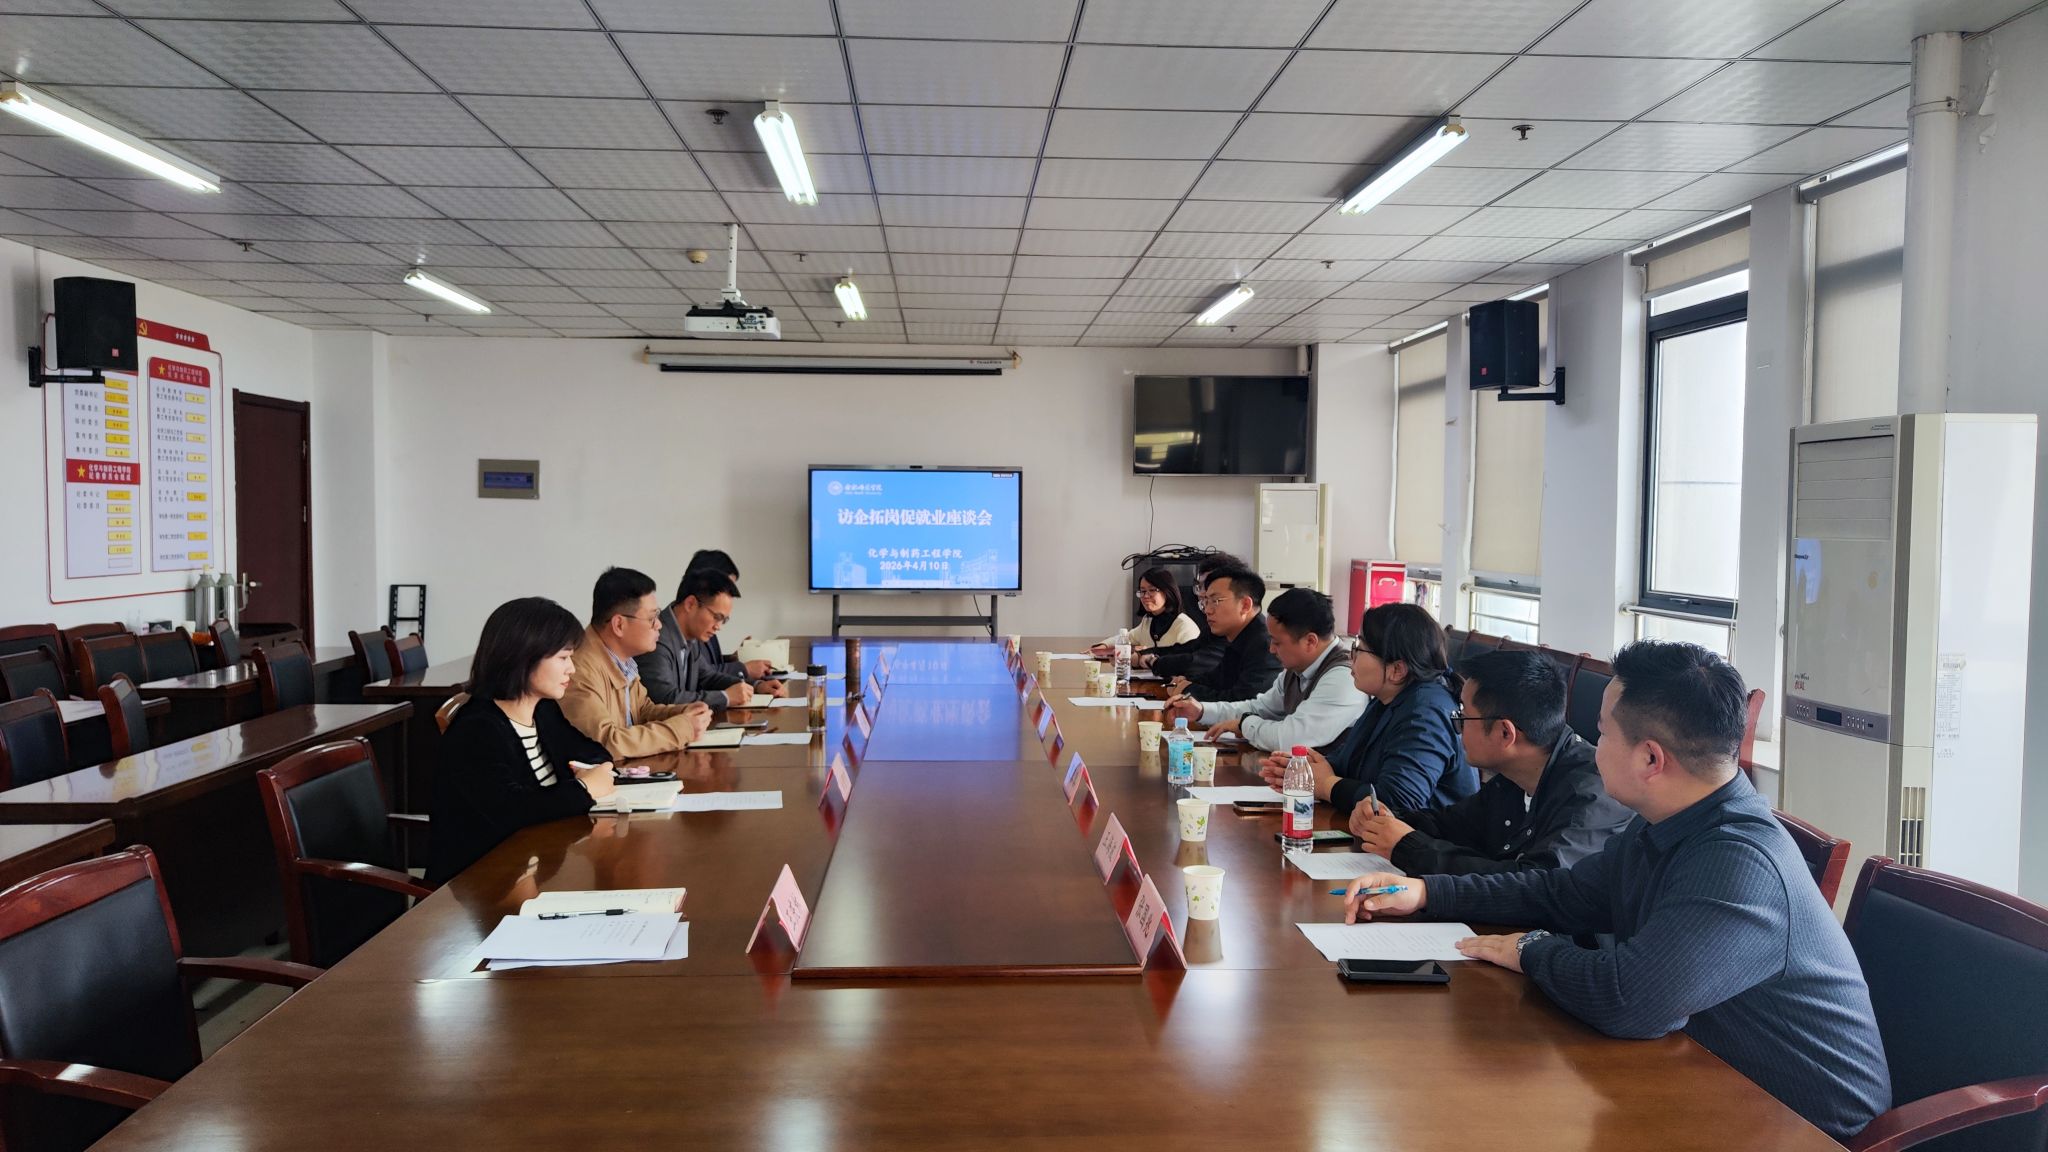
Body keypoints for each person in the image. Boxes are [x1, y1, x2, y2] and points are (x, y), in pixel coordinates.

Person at [1341, 641, 1891, 1141]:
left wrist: (1531, 949)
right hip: (1698, 1083)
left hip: (1796, 1127)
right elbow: (1562, 894)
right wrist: (1427, 893)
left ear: (1651, 758)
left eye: (1601, 733)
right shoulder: (1669, 822)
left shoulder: (1739, 861)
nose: (1588, 744)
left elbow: (1628, 1001)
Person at [1350, 649, 1630, 874]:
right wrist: (1386, 819)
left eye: (1463, 716)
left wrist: (1408, 847)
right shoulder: (1514, 775)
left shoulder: (1588, 797)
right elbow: (1451, 825)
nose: (1457, 727)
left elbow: (1530, 885)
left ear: (1505, 733)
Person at [429, 597, 619, 885]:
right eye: (563, 658)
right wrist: (584, 788)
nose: (572, 669)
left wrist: (592, 772)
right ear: (524, 656)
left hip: (535, 864)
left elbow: (593, 752)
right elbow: (513, 812)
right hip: (483, 883)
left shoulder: (542, 710)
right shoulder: (477, 729)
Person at [1258, 601, 1474, 814]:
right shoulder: (1386, 699)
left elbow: (1398, 803)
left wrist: (1326, 785)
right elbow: (1350, 763)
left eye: (1358, 649)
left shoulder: (1426, 714)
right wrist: (1307, 769)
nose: (1350, 657)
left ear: (1397, 670)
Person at [1164, 587, 1362, 753]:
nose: (1271, 649)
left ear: (1310, 641)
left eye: (1277, 642)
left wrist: (1244, 725)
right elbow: (1261, 708)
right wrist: (1201, 711)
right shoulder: (1296, 669)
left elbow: (1291, 739)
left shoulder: (1344, 678)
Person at [561, 566, 714, 758]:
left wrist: (684, 712)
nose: (659, 625)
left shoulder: (620, 659)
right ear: (619, 624)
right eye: (651, 618)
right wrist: (682, 728)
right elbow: (606, 744)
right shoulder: (578, 670)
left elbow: (642, 711)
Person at [638, 569, 787, 709]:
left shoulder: (690, 635)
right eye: (717, 617)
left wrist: (755, 686)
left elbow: (708, 677)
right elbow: (664, 698)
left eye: (724, 620)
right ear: (690, 604)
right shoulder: (657, 638)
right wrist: (725, 697)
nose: (718, 627)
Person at [1160, 565, 1280, 703]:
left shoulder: (1266, 645)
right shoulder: (1238, 636)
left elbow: (1243, 702)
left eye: (1215, 601)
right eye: (1206, 602)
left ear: (1245, 605)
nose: (1207, 610)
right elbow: (1217, 680)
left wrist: (1188, 689)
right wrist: (1186, 682)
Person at [1139, 552, 1242, 679]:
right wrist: (1145, 654)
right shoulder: (1216, 630)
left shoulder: (1250, 639)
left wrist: (1154, 662)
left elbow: (1195, 662)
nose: (1201, 593)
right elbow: (1187, 649)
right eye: (1200, 586)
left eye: (1214, 599)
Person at [682, 549, 776, 681]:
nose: (730, 593)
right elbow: (698, 675)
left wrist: (733, 658)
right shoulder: (689, 623)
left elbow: (706, 667)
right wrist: (744, 669)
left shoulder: (707, 619)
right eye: (726, 586)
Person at [1091, 566, 1200, 657]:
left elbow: (1187, 660)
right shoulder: (1148, 621)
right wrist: (1103, 646)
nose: (1146, 596)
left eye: (1152, 590)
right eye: (1142, 591)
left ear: (1167, 591)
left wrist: (1141, 656)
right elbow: (1127, 637)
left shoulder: (1184, 625)